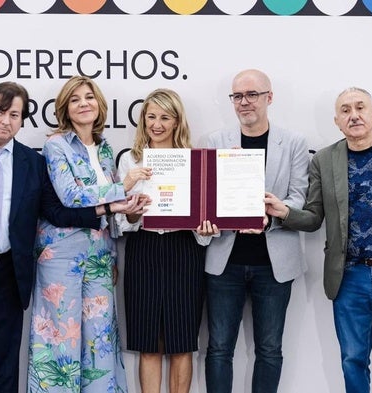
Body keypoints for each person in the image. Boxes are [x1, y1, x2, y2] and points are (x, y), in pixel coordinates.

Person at [0, 81, 137, 393]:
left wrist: (110, 208)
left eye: (15, 115)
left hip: (7, 274)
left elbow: (57, 214)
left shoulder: (31, 162)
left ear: (23, 121)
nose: (5, 120)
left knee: (2, 368)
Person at [264, 87, 372, 393]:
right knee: (352, 359)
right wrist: (285, 212)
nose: (353, 115)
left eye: (360, 108)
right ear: (337, 121)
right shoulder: (325, 160)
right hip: (349, 275)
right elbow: (314, 217)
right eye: (345, 110)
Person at [27, 76, 148, 393]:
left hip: (100, 255)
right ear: (65, 107)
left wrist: (128, 211)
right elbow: (69, 196)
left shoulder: (106, 149)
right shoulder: (56, 145)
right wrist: (124, 186)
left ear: (99, 104)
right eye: (76, 99)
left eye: (89, 97)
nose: (84, 103)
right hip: (60, 254)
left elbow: (110, 208)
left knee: (101, 341)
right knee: (59, 342)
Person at [203, 69, 310, 393]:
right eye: (238, 96)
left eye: (252, 94)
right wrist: (207, 218)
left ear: (269, 97)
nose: (244, 102)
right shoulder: (214, 142)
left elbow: (298, 196)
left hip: (274, 263)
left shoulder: (293, 143)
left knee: (269, 350)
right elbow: (206, 197)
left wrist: (271, 214)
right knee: (219, 348)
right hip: (224, 261)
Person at [116, 88, 215, 393]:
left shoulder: (193, 161)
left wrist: (205, 229)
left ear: (176, 121)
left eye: (164, 117)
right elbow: (120, 220)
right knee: (148, 341)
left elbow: (203, 218)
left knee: (182, 340)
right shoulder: (129, 161)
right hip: (143, 249)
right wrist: (130, 201)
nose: (156, 124)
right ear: (143, 119)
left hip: (183, 249)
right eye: (151, 117)